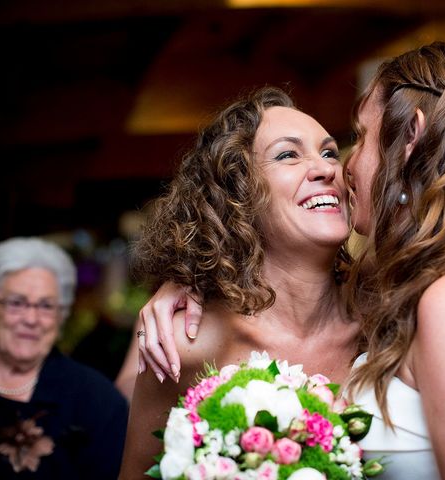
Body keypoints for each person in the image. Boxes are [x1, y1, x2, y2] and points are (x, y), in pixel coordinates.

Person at [138, 43, 445, 479]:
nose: (340, 167)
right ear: (237, 197)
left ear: (411, 137)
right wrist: (189, 280)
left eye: (351, 141)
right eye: (287, 155)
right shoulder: (418, 290)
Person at [119, 87, 360, 479]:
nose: (326, 168)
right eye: (288, 155)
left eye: (330, 152)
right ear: (239, 194)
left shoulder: (387, 317)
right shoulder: (188, 343)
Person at [0, 236, 129, 479]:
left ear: (61, 316)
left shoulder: (99, 401)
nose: (31, 319)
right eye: (16, 303)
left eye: (45, 306)